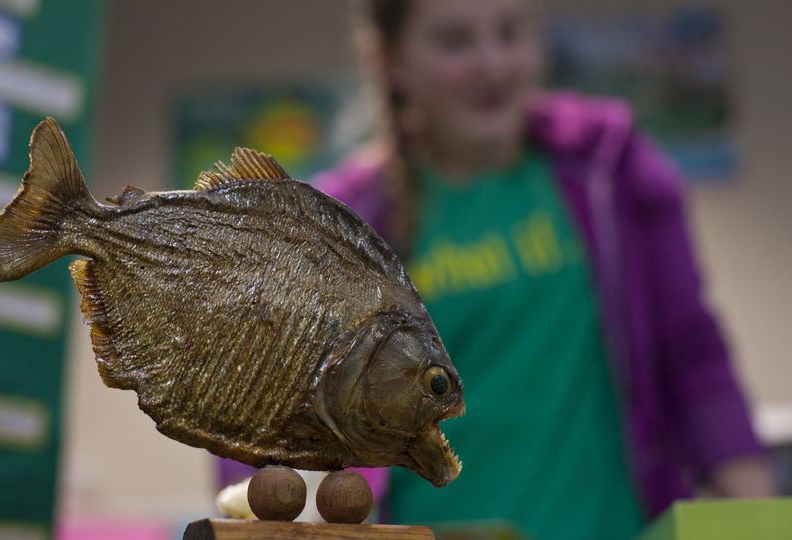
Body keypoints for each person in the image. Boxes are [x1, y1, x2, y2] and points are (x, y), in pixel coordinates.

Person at [309, 0, 774, 538]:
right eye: (456, 42)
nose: (493, 63)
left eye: (510, 33)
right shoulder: (346, 222)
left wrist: (756, 517)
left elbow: (693, 357)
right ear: (392, 60)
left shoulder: (609, 167)